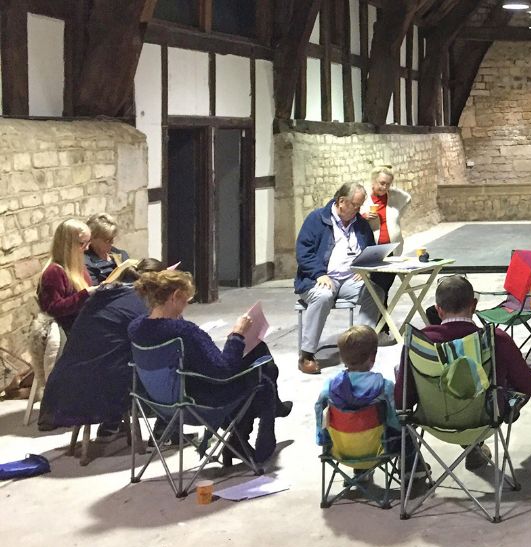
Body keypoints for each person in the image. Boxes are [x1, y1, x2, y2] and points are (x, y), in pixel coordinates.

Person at [128, 270, 291, 465]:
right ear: (175, 297)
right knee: (262, 370)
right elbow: (223, 372)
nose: (187, 304)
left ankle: (242, 437)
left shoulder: (136, 328)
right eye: (186, 299)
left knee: (257, 365)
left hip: (160, 403)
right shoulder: (185, 332)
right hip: (199, 404)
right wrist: (237, 334)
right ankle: (252, 431)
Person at [395, 275, 531, 470]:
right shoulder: (495, 339)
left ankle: (419, 468)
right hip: (485, 420)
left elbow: (402, 399)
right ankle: (475, 448)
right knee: (499, 383)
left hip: (433, 421)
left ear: (438, 310)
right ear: (474, 305)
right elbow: (530, 385)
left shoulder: (420, 344)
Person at [37, 259, 166, 435]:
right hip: (99, 392)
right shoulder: (141, 304)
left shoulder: (102, 296)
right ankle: (164, 432)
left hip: (63, 390)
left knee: (115, 354)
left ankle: (111, 424)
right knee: (166, 363)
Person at [295, 182, 383, 375]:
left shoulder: (360, 223)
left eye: (360, 206)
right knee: (323, 296)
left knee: (375, 292)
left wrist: (364, 269)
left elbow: (369, 248)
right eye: (355, 205)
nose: (359, 210)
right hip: (317, 278)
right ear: (341, 202)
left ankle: (360, 349)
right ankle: (307, 354)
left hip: (350, 279)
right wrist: (319, 273)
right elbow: (303, 253)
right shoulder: (316, 219)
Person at [361, 165, 412, 334]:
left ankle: (381, 326)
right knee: (376, 287)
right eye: (382, 183)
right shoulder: (365, 200)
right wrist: (365, 218)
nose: (384, 187)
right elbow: (353, 218)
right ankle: (381, 327)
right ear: (373, 182)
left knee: (384, 287)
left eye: (388, 184)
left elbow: (407, 198)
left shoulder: (394, 198)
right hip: (373, 249)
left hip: (391, 249)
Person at [38, 219, 98, 334]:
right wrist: (86, 294)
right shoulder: (54, 272)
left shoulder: (77, 265)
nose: (86, 248)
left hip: (85, 323)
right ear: (66, 245)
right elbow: (53, 309)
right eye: (82, 243)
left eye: (88, 242)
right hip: (72, 331)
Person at [84, 213, 130, 285]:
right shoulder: (85, 261)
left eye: (112, 238)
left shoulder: (121, 254)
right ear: (92, 238)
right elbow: (94, 291)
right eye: (107, 240)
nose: (112, 242)